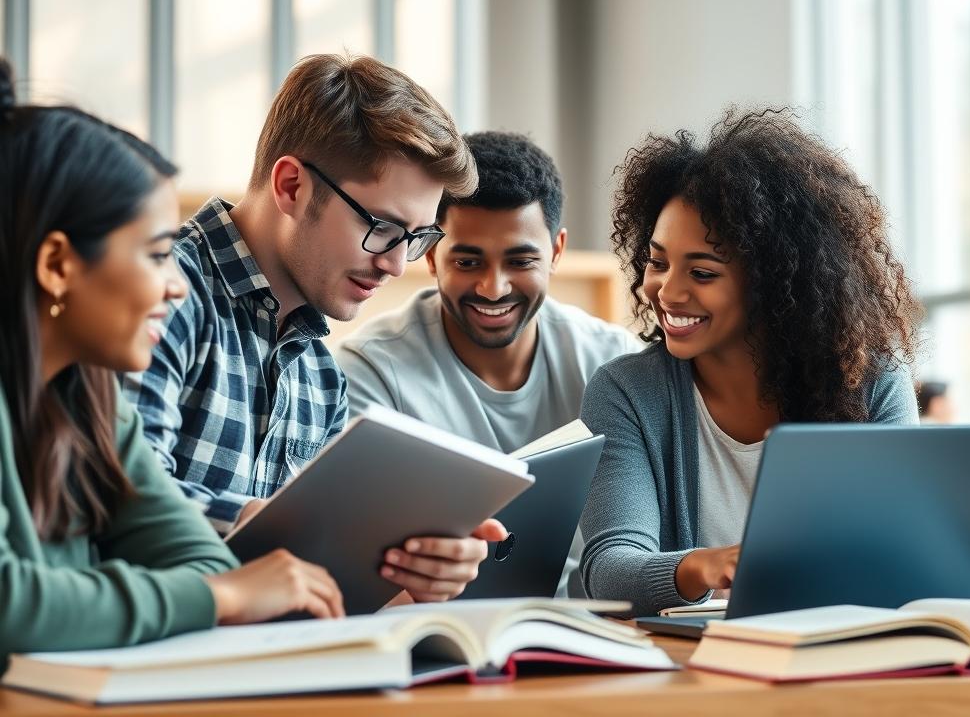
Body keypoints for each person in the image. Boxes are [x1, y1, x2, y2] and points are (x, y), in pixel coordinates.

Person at [120, 54, 503, 604]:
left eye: (418, 238)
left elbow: (322, 586)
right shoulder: (159, 294)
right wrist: (273, 530)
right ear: (293, 186)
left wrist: (413, 574)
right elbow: (123, 497)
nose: (397, 265)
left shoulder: (321, 376)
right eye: (384, 228)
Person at [0, 63, 345, 659]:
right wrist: (220, 599)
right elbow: (11, 605)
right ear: (57, 265)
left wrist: (221, 590)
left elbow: (202, 559)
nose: (177, 285)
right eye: (158, 255)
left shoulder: (94, 401)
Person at [578, 108, 922, 617]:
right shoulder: (627, 392)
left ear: (773, 280)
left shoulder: (868, 383)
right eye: (657, 262)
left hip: (839, 649)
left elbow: (903, 546)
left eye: (702, 272)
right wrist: (706, 566)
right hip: (686, 674)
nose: (667, 291)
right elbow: (609, 570)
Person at [336, 131, 643, 596]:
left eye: (520, 261)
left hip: (596, 627)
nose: (493, 288)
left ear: (556, 252)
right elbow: (357, 564)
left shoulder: (614, 363)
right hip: (440, 630)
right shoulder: (370, 372)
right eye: (468, 261)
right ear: (434, 256)